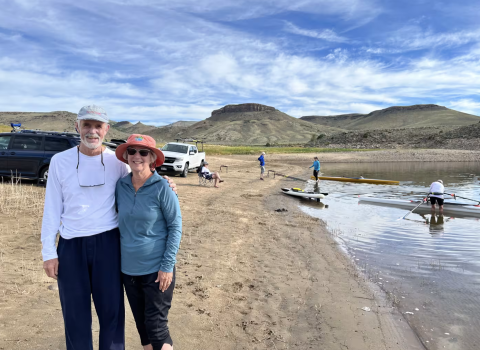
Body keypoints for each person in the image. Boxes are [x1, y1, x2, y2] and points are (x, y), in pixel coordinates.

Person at [41, 105, 177, 350]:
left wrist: (166, 182)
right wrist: (48, 252)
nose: (92, 131)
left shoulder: (117, 163)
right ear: (77, 126)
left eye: (98, 126)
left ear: (106, 130)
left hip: (109, 244)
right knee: (74, 313)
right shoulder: (60, 161)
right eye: (87, 125)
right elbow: (51, 208)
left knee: (112, 312)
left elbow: (143, 176)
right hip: (71, 245)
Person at [115, 134, 182, 350]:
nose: (137, 156)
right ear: (126, 155)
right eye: (132, 151)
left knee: (156, 327)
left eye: (143, 152)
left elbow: (175, 227)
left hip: (156, 270)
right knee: (143, 327)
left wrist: (167, 267)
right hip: (128, 270)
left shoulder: (163, 187)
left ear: (152, 157)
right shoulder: (120, 186)